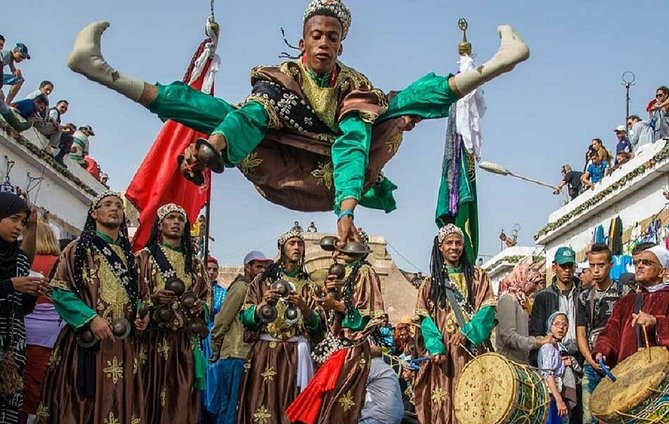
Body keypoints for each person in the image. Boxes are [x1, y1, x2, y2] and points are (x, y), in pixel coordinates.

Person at [66, 1, 530, 248]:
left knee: (402, 101)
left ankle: (494, 66)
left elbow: (352, 143)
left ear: (342, 45)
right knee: (210, 109)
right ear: (304, 40)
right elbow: (251, 116)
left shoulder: (354, 84)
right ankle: (102, 71)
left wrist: (346, 211)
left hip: (334, 173)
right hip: (278, 157)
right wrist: (214, 147)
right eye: (316, 35)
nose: (324, 43)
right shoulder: (279, 78)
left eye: (333, 37)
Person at [33, 191, 149, 424]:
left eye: (118, 205)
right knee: (81, 405)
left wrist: (141, 315)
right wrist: (90, 319)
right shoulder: (78, 249)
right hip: (85, 344)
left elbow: (135, 297)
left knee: (119, 404)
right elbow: (59, 290)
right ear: (94, 214)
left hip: (121, 346)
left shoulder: (130, 257)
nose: (114, 209)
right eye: (107, 205)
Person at [287, 233, 386, 424]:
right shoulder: (339, 274)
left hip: (352, 349)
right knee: (326, 407)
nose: (335, 252)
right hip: (334, 349)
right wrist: (329, 297)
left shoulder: (364, 271)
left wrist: (338, 306)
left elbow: (370, 315)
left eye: (341, 248)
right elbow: (328, 322)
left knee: (340, 408)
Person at [236, 228, 323, 424]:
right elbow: (245, 317)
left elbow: (318, 328)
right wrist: (263, 306)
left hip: (296, 355)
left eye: (300, 244)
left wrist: (304, 307)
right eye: (292, 243)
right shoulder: (262, 281)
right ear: (282, 248)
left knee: (292, 410)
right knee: (262, 410)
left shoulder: (310, 285)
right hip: (266, 352)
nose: (297, 247)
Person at [412, 224, 496, 424]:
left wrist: (468, 331)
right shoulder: (430, 285)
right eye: (449, 243)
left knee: (475, 406)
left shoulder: (479, 278)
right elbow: (426, 321)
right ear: (440, 247)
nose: (454, 247)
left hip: (472, 354)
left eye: (458, 243)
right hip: (445, 360)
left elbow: (487, 311)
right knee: (444, 408)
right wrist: (436, 347)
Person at [135, 203, 210, 424]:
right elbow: (131, 297)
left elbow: (206, 296)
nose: (177, 222)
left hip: (182, 344)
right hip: (150, 342)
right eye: (171, 218)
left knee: (178, 400)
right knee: (145, 398)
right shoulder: (143, 258)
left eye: (181, 218)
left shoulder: (195, 264)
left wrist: (202, 307)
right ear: (160, 224)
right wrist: (151, 300)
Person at [594, 244, 669, 424]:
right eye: (637, 262)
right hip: (628, 383)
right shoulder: (626, 302)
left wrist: (657, 322)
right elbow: (611, 331)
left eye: (647, 262)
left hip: (662, 385)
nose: (639, 266)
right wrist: (602, 349)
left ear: (663, 271)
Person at [209, 250, 272, 424]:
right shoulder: (241, 288)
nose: (262, 271)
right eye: (258, 266)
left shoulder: (258, 289)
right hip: (236, 353)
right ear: (247, 268)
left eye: (264, 267)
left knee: (238, 404)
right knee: (232, 404)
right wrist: (216, 346)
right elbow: (222, 320)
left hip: (248, 355)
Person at [576, 243, 630, 424]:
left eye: (601, 265)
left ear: (610, 264)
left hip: (617, 363)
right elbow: (581, 333)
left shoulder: (624, 292)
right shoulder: (583, 297)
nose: (596, 270)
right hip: (592, 365)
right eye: (592, 265)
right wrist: (589, 359)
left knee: (618, 417)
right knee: (589, 423)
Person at [0, 192, 43, 424]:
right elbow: (11, 286)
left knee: (8, 414)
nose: (18, 227)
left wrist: (30, 293)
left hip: (12, 351)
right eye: (14, 219)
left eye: (22, 222)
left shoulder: (16, 258)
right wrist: (9, 286)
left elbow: (22, 308)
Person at [529, 246, 583, 424]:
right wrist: (552, 352)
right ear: (555, 267)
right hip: (553, 364)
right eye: (563, 266)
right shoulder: (544, 297)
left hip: (577, 359)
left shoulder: (582, 294)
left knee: (579, 419)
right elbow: (535, 332)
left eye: (570, 266)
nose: (567, 270)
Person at [21, 221, 65, 424]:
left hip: (23, 334)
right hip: (56, 336)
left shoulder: (23, 260)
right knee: (46, 386)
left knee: (25, 384)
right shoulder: (61, 263)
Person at [495, 263, 551, 364]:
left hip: (520, 362)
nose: (534, 290)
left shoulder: (521, 301)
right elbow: (509, 337)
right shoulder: (508, 300)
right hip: (508, 363)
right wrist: (536, 342)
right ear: (523, 279)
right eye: (533, 285)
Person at [355, 345, 403, 424]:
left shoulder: (370, 366)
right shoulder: (387, 368)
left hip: (379, 418)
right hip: (393, 418)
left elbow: (355, 388)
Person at [537, 312, 571, 424]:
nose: (561, 328)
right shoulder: (547, 348)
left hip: (555, 397)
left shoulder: (558, 348)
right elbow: (548, 375)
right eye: (556, 324)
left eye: (564, 325)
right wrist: (559, 400)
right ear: (549, 326)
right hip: (548, 397)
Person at [207, 256, 226, 322]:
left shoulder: (223, 293)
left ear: (217, 273)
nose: (211, 272)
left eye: (215, 270)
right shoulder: (195, 288)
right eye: (208, 269)